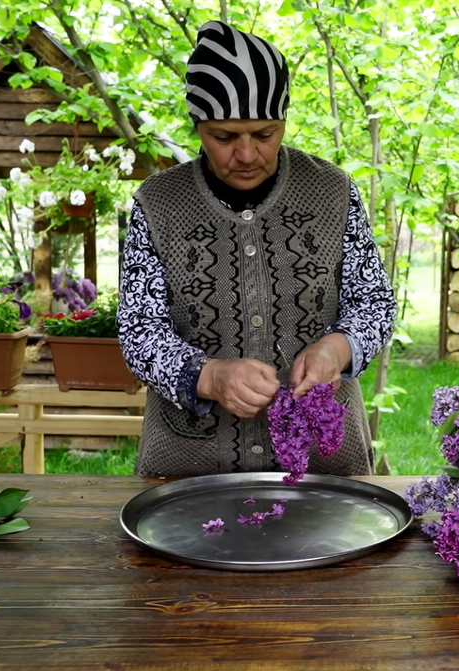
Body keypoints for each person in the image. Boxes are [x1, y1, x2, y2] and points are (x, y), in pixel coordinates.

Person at [118, 20, 397, 478]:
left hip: (322, 468)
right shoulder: (159, 202)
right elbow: (139, 330)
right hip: (189, 470)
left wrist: (336, 348)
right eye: (224, 137)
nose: (246, 154)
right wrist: (209, 376)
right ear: (198, 126)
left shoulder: (332, 192)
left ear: (284, 120)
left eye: (264, 134)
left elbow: (375, 306)